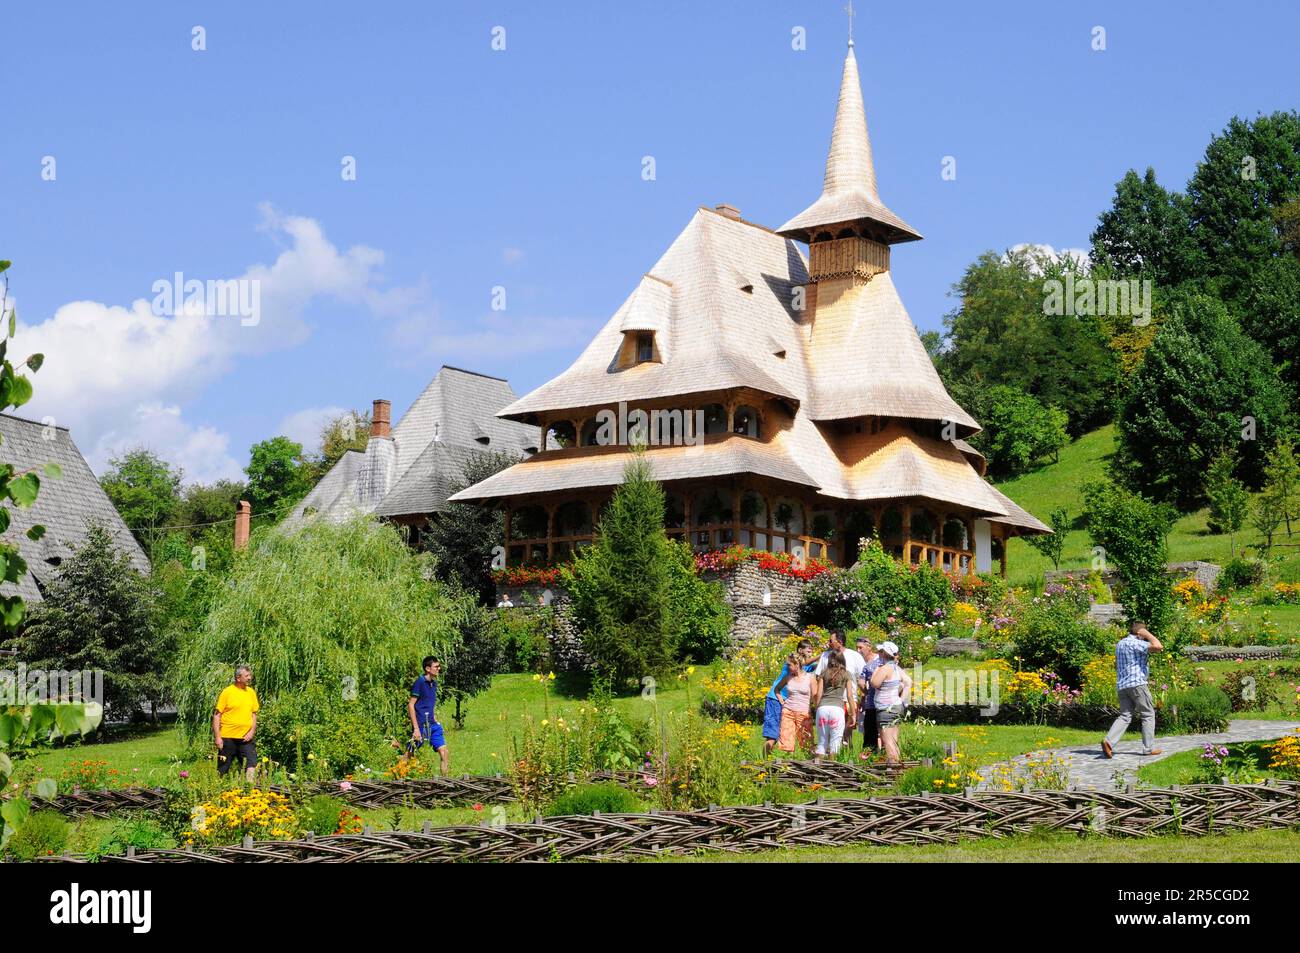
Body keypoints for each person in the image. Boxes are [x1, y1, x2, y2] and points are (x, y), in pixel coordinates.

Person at [1102, 621, 1164, 758]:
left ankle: (1108, 742)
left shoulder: (1120, 643)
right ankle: (1148, 748)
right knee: (1148, 714)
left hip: (1122, 685)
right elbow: (1158, 646)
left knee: (1125, 716)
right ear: (1139, 633)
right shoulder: (1136, 643)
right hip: (1137, 684)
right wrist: (1147, 634)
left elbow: (1116, 664)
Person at [814, 632, 866, 751]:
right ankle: (831, 759)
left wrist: (863, 697)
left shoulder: (854, 656)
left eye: (831, 641)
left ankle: (845, 757)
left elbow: (862, 678)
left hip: (848, 700)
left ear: (840, 642)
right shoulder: (825, 656)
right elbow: (819, 678)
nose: (829, 643)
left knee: (846, 734)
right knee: (828, 736)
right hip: (829, 701)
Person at [763, 639, 814, 755]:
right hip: (775, 700)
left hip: (792, 705)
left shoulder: (805, 670)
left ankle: (770, 759)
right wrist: (821, 655)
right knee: (773, 736)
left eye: (812, 652)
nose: (811, 654)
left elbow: (814, 665)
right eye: (808, 651)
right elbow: (808, 662)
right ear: (801, 651)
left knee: (798, 737)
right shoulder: (790, 666)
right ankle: (766, 759)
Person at [213, 664, 259, 782]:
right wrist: (218, 737)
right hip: (228, 738)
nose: (249, 678)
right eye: (246, 676)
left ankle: (249, 792)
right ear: (238, 678)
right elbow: (217, 715)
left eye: (250, 675)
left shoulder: (251, 692)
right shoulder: (227, 692)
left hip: (246, 738)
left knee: (251, 765)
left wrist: (252, 731)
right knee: (222, 769)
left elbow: (254, 714)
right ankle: (217, 791)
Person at [870, 641, 912, 764]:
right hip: (895, 707)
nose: (878, 654)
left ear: (884, 653)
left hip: (886, 709)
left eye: (880, 652)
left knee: (887, 741)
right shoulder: (896, 668)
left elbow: (874, 683)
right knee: (894, 740)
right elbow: (908, 682)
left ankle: (893, 770)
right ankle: (897, 768)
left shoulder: (885, 668)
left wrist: (875, 671)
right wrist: (901, 700)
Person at [408, 655, 450, 775]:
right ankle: (396, 777)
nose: (439, 669)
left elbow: (429, 703)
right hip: (421, 726)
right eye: (436, 666)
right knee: (409, 754)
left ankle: (445, 782)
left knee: (444, 752)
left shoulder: (433, 684)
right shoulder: (419, 682)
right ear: (428, 668)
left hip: (433, 724)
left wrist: (435, 719)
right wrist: (416, 729)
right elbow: (411, 705)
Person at [813, 650, 856, 761]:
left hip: (823, 708)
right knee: (835, 744)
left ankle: (819, 770)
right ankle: (832, 769)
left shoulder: (824, 672)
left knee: (822, 743)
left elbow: (818, 694)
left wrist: (817, 709)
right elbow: (850, 696)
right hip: (837, 709)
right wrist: (853, 714)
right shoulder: (846, 674)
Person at [776, 654, 816, 756]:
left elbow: (815, 696)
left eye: (789, 665)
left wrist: (813, 709)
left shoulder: (810, 678)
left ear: (797, 664)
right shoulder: (788, 677)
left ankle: (810, 766)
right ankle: (785, 766)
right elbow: (777, 689)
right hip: (788, 712)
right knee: (786, 742)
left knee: (807, 743)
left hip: (804, 713)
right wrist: (782, 702)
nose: (787, 667)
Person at [856, 639, 882, 758]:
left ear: (869, 647)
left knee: (870, 734)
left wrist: (867, 693)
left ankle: (869, 757)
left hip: (873, 704)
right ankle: (883, 757)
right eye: (857, 648)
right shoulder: (883, 661)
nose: (858, 650)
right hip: (882, 704)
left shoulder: (871, 664)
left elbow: (861, 684)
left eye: (860, 648)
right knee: (882, 732)